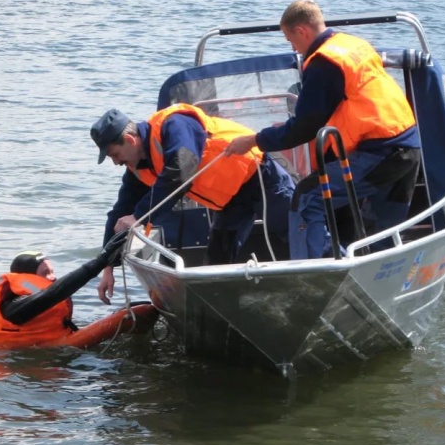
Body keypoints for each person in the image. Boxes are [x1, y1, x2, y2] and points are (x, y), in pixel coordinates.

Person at [226, 0, 422, 258]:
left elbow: (305, 127)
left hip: (380, 152)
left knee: (307, 197)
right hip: (408, 145)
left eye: (290, 40)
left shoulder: (323, 63)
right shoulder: (353, 44)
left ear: (301, 31)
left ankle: (322, 271)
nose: (294, 48)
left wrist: (255, 140)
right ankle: (388, 271)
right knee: (383, 230)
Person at [90, 103, 295, 304]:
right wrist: (108, 266)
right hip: (230, 203)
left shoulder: (175, 123)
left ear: (129, 140)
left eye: (114, 155)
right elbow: (119, 213)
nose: (115, 162)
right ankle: (221, 311)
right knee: (215, 265)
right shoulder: (137, 170)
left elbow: (182, 167)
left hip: (260, 177)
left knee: (298, 233)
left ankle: (315, 291)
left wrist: (139, 215)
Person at [0, 231, 127, 349]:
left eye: (52, 271)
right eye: (45, 273)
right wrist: (100, 262)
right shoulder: (12, 307)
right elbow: (52, 294)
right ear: (27, 277)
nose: (52, 277)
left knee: (135, 311)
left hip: (44, 347)